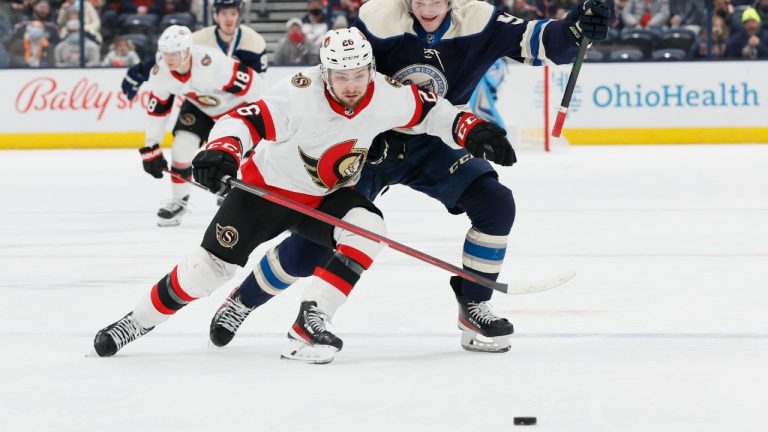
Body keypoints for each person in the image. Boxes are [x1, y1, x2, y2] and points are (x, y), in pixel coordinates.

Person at [207, 0, 609, 355]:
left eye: (437, 1)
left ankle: (474, 305)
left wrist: (575, 29)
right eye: (419, 0)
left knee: (495, 204)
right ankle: (244, 299)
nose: (428, 9)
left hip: (437, 132)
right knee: (313, 244)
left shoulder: (480, 19)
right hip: (368, 140)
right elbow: (339, 77)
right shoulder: (378, 18)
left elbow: (542, 42)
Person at [93, 27, 515, 364]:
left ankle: (309, 323)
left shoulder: (385, 92)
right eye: (340, 76)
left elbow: (432, 112)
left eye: (358, 75)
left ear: (370, 69)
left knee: (368, 229)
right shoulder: (299, 93)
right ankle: (135, 322)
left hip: (326, 197)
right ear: (323, 72)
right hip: (266, 191)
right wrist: (221, 150)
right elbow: (247, 119)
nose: (351, 86)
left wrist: (471, 129)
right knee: (208, 272)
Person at [122, 0, 268, 226]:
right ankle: (179, 202)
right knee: (180, 147)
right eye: (166, 53)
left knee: (243, 154)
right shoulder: (161, 72)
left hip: (234, 108)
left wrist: (260, 120)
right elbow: (158, 109)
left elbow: (255, 86)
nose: (170, 59)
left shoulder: (213, 65)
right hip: (199, 107)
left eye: (175, 53)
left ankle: (242, 199)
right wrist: (150, 146)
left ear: (188, 51)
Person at [120, 0, 268, 102]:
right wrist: (141, 70)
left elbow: (258, 83)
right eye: (224, 14)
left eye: (233, 14)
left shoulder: (254, 42)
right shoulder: (199, 38)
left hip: (238, 103)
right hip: (205, 102)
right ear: (216, 16)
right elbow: (171, 51)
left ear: (239, 15)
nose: (228, 19)